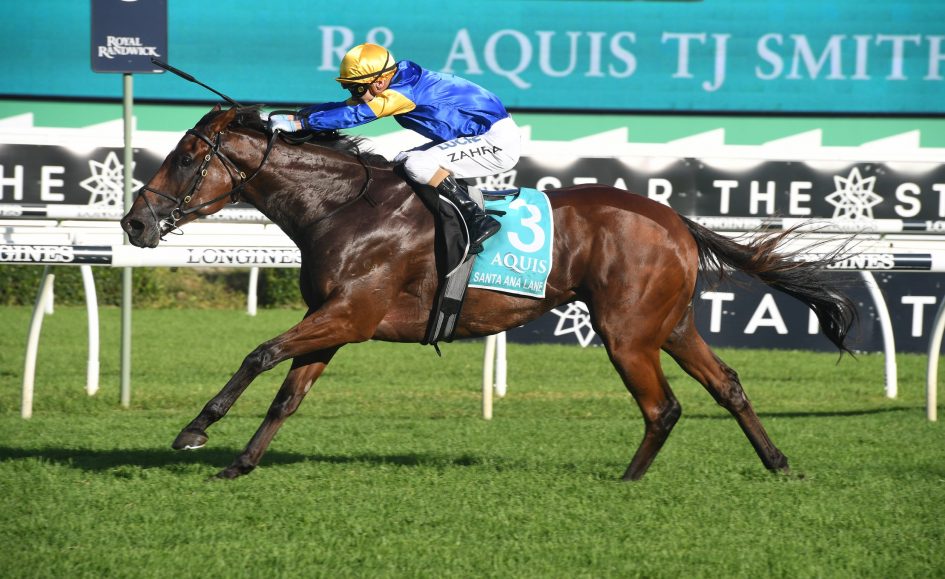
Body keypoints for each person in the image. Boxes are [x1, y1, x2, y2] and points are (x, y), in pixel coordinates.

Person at [266, 43, 521, 248]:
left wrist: (301, 124)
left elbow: (357, 115)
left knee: (419, 165)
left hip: (496, 142)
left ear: (378, 82)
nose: (353, 95)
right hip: (476, 135)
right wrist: (301, 115)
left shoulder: (402, 92)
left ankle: (476, 218)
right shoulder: (395, 81)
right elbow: (348, 107)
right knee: (400, 162)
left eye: (355, 89)